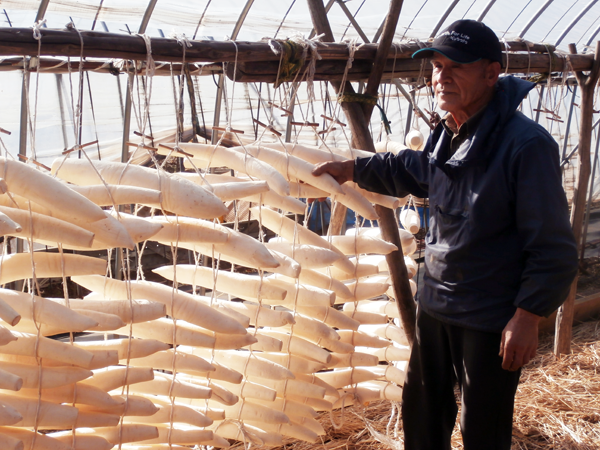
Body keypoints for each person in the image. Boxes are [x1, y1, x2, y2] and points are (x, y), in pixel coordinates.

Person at [312, 19, 578, 450]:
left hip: (488, 315)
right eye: (436, 66)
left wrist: (528, 315)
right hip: (436, 304)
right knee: (422, 418)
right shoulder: (448, 132)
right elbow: (412, 170)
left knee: (482, 431)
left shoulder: (526, 145)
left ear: (492, 73)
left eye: (456, 66)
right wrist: (354, 170)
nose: (441, 77)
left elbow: (555, 247)